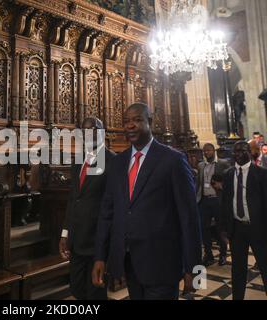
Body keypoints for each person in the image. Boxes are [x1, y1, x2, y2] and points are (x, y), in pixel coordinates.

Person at [92, 103, 202, 300]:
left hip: (163, 264)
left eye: (137, 120)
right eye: (126, 122)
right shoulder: (118, 163)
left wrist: (194, 268)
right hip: (129, 263)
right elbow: (107, 213)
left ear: (150, 122)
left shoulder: (173, 160)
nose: (130, 126)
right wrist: (100, 256)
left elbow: (189, 217)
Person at [59, 117, 115, 300]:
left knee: (95, 294)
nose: (87, 134)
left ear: (102, 132)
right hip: (76, 241)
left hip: (97, 243)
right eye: (84, 131)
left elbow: (113, 206)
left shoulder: (113, 161)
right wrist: (65, 234)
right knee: (77, 290)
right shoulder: (78, 161)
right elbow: (73, 200)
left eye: (92, 130)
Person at [219, 141, 267, 300]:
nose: (237, 153)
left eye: (241, 150)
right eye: (235, 151)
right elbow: (225, 202)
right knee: (238, 269)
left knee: (264, 266)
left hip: (257, 227)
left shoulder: (261, 174)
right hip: (237, 228)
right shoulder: (228, 174)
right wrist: (224, 229)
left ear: (249, 152)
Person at [196, 144, 230, 266]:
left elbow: (228, 180)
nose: (206, 153)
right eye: (204, 151)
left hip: (217, 200)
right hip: (204, 201)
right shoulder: (201, 165)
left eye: (208, 150)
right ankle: (208, 255)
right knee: (204, 229)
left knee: (220, 229)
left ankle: (222, 254)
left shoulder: (222, 163)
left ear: (213, 151)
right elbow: (198, 184)